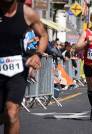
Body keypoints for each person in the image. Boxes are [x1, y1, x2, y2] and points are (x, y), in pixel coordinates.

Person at [0, 1, 48, 134]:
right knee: (3, 116)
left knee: (11, 112)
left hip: (17, 69)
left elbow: (43, 35)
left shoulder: (27, 13)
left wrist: (37, 54)